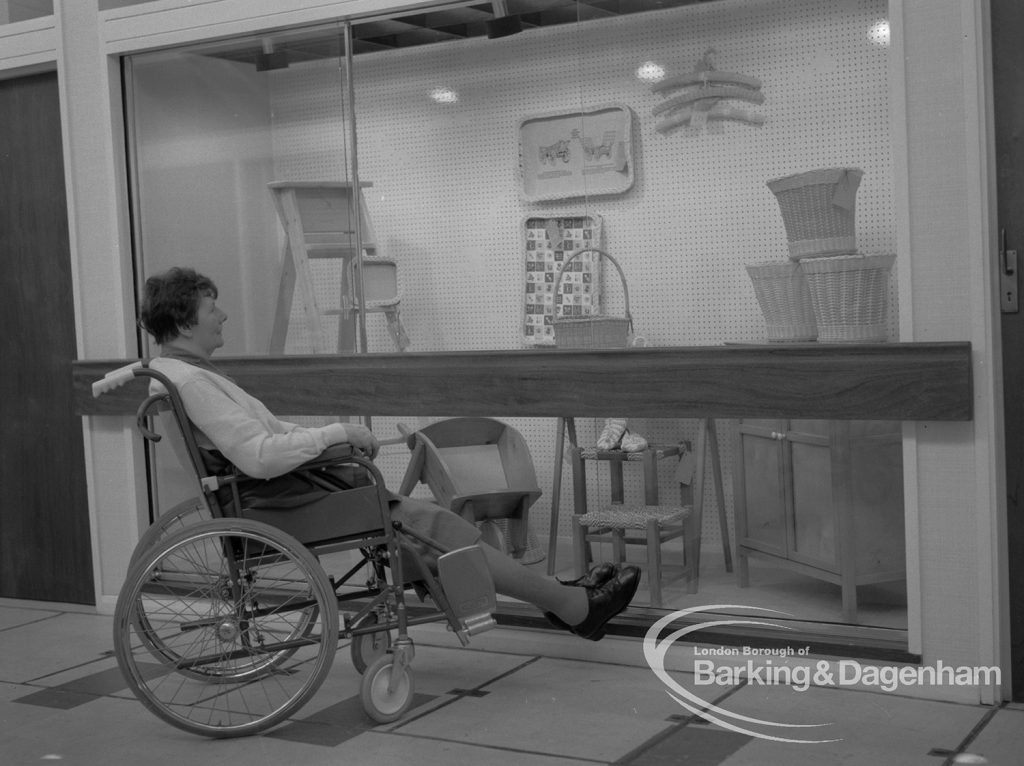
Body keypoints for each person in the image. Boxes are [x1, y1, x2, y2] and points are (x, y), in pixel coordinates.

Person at [139, 266, 639, 641]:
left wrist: (337, 437)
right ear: (184, 324)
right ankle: (571, 604)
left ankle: (562, 594)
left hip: (285, 495)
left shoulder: (184, 376)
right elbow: (260, 457)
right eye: (211, 309)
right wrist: (335, 433)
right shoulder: (196, 383)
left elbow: (267, 437)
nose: (222, 315)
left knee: (432, 530)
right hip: (286, 502)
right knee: (441, 529)